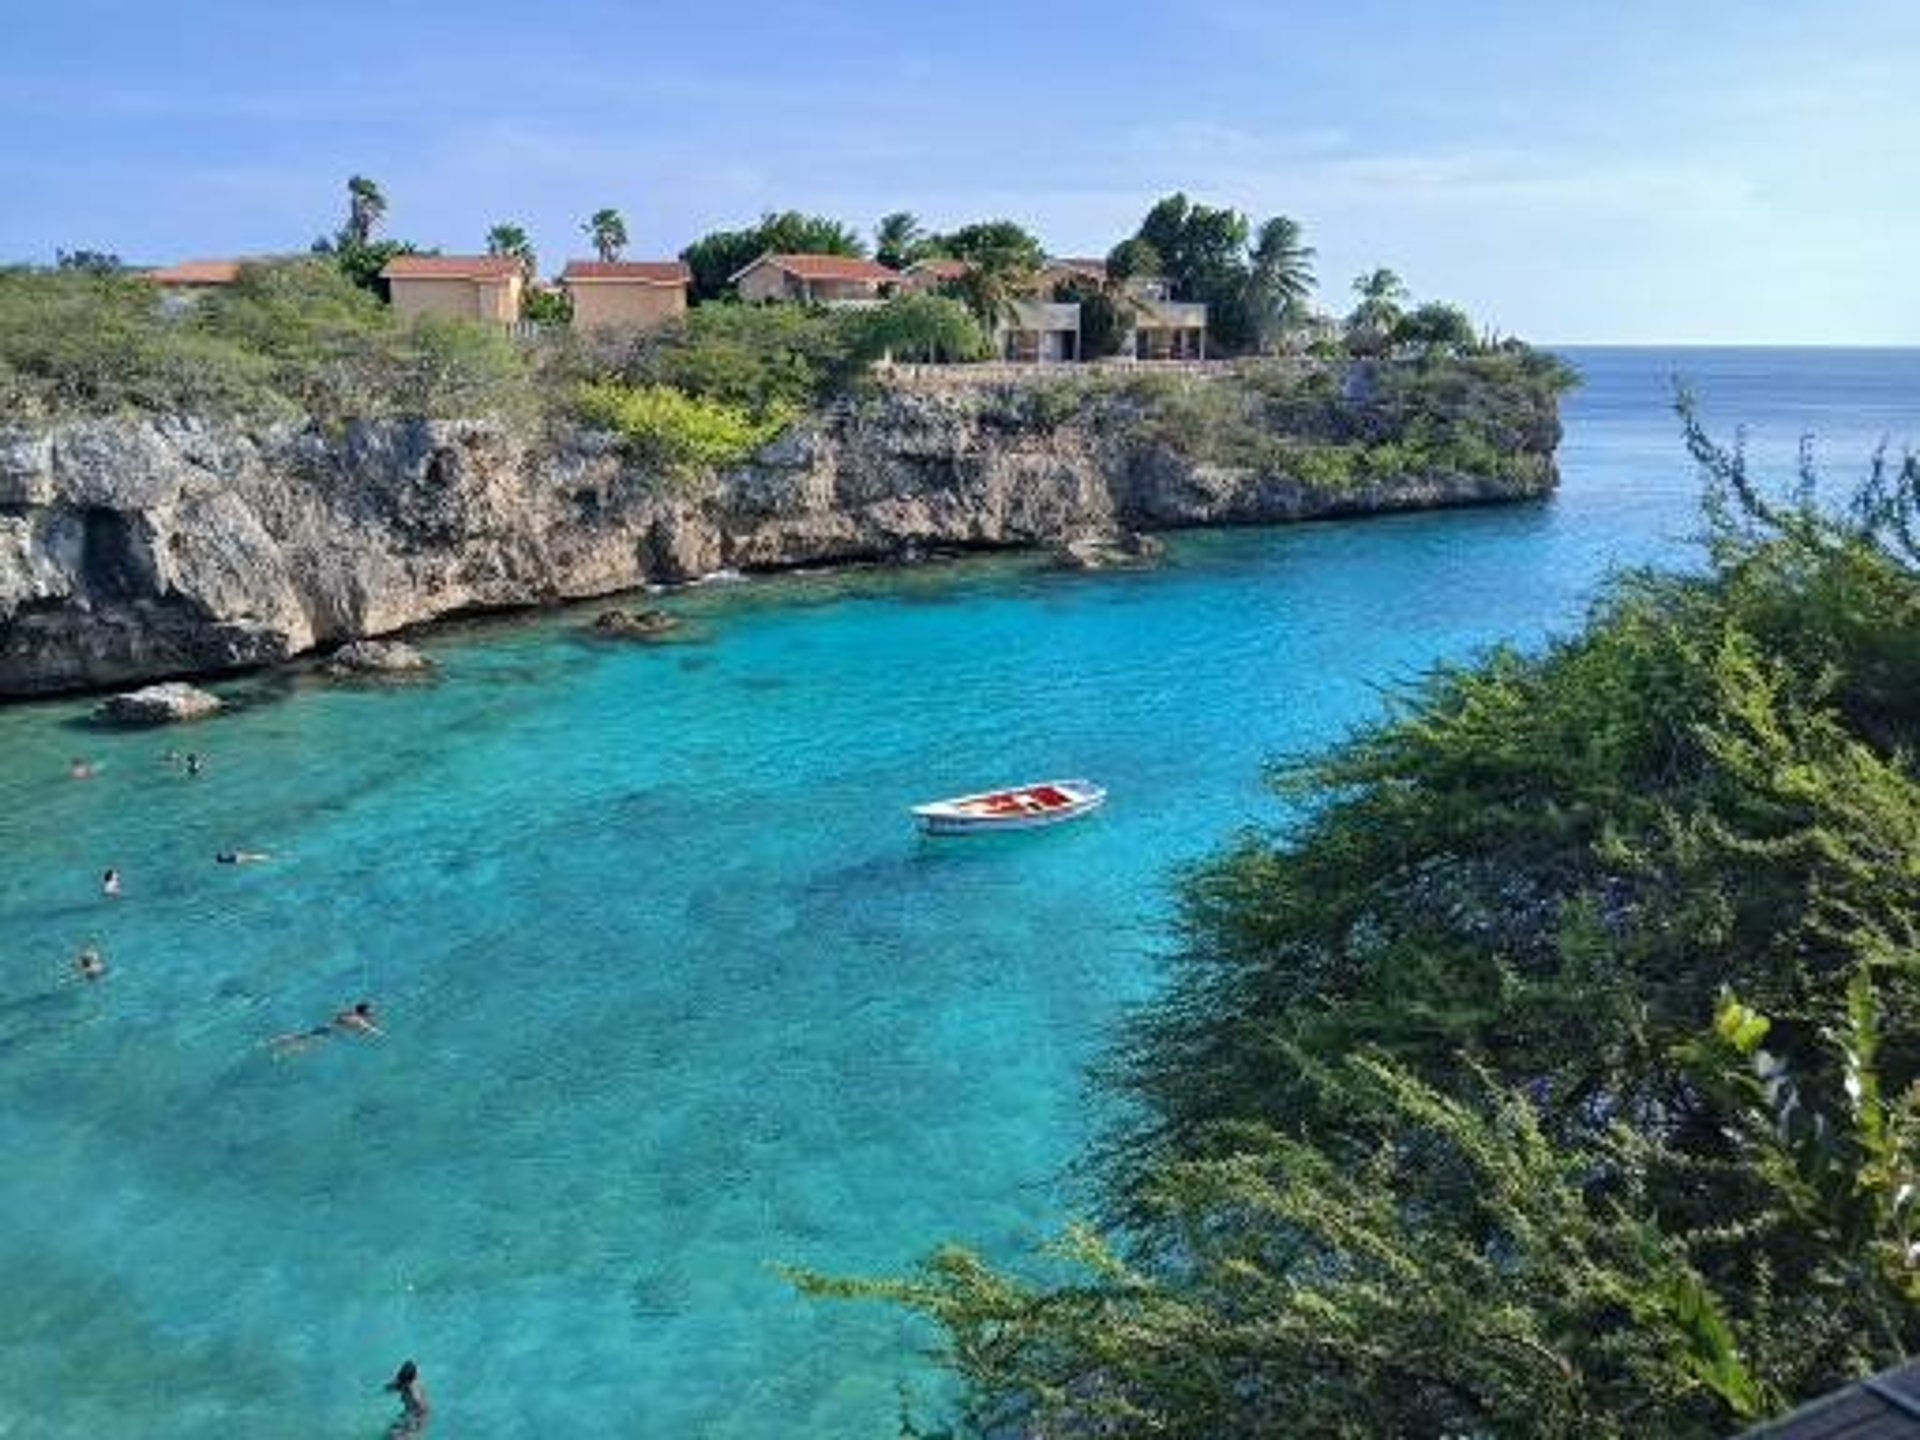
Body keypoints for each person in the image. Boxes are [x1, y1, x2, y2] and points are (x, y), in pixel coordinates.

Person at [385, 1359, 431, 1435]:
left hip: (417, 1416)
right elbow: (390, 1387)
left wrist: (417, 1425)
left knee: (397, 1434)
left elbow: (422, 1409)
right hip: (410, 1413)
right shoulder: (404, 1383)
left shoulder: (414, 1391)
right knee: (392, 1431)